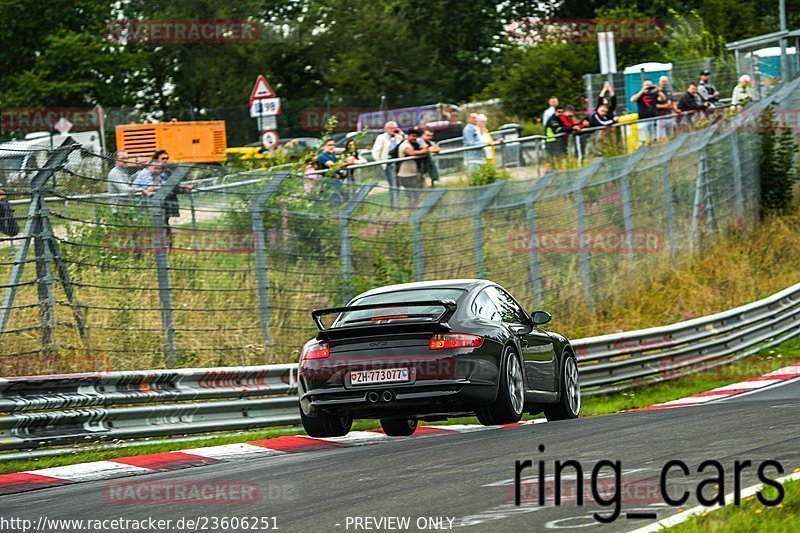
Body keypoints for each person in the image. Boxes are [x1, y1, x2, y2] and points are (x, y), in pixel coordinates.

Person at [371, 121, 405, 200]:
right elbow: (375, 152)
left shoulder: (399, 137)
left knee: (398, 183)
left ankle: (397, 200)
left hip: (399, 162)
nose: (393, 130)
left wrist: (402, 135)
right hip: (389, 163)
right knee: (393, 184)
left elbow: (405, 144)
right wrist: (382, 163)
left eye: (395, 128)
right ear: (386, 129)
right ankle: (394, 203)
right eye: (391, 128)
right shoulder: (381, 137)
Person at [396, 127, 431, 205]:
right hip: (405, 175)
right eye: (412, 136)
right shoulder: (404, 144)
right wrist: (424, 151)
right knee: (411, 195)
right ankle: (411, 211)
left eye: (416, 136)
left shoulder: (415, 144)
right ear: (408, 136)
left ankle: (415, 209)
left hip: (414, 174)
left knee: (420, 192)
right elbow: (411, 152)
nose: (414, 138)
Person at [630, 80, 659, 144]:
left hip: (653, 118)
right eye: (646, 85)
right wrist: (642, 91)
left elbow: (662, 99)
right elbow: (632, 100)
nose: (648, 87)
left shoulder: (654, 94)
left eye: (650, 85)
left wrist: (658, 90)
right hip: (643, 119)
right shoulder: (639, 94)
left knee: (654, 138)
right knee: (643, 139)